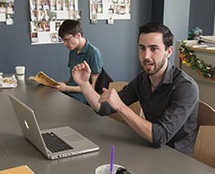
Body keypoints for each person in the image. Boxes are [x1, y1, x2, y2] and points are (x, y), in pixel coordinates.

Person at [72, 22, 199, 155]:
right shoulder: (142, 79)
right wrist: (84, 84)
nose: (146, 56)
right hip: (148, 148)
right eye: (142, 48)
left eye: (154, 48)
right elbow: (104, 108)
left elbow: (160, 136)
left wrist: (120, 107)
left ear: (168, 52)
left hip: (177, 158)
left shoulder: (186, 87)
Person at [56, 19, 111, 104]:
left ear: (78, 35)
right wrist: (59, 84)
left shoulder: (93, 53)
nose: (64, 43)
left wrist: (66, 88)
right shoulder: (73, 50)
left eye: (66, 39)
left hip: (83, 97)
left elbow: (93, 87)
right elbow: (73, 80)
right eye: (63, 40)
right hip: (71, 93)